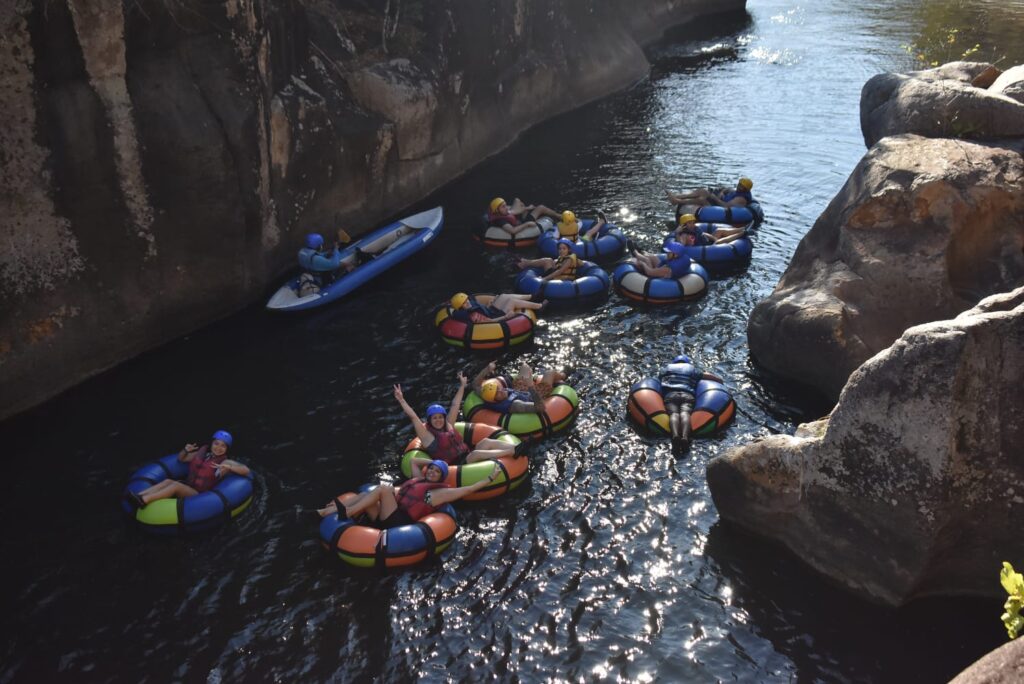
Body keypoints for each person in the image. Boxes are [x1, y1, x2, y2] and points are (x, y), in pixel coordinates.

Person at [393, 374, 526, 472]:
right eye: (434, 418)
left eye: (440, 417)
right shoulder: (428, 437)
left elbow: (455, 404)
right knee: (476, 454)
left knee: (485, 442)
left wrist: (462, 385)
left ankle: (518, 446)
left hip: (466, 455)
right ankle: (512, 451)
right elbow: (414, 418)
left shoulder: (448, 424)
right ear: (429, 421)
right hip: (456, 467)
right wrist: (401, 400)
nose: (438, 420)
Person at [316, 459, 502, 527]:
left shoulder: (439, 493)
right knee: (369, 493)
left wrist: (490, 478)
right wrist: (434, 462)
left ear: (441, 478)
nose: (431, 472)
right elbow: (414, 461)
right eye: (431, 469)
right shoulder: (418, 479)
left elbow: (468, 489)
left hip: (397, 522)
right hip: (387, 516)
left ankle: (348, 512)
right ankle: (325, 511)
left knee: (383, 488)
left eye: (437, 472)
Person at [126, 430, 250, 508]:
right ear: (211, 443)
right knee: (168, 481)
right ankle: (139, 495)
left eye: (223, 446)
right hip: (189, 486)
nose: (218, 448)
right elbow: (181, 459)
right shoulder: (202, 454)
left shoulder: (224, 461)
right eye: (216, 443)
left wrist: (229, 467)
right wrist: (186, 450)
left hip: (200, 494)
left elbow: (246, 470)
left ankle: (144, 500)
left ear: (227, 449)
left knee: (176, 486)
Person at [659, 354, 722, 451]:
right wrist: (718, 379)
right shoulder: (691, 369)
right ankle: (685, 437)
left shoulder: (667, 368)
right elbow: (706, 375)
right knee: (685, 413)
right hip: (687, 395)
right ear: (687, 362)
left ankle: (675, 435)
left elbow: (658, 379)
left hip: (671, 395)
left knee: (674, 414)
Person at [472, 361, 566, 414]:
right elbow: (540, 408)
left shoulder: (485, 393)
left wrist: (487, 370)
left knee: (525, 366)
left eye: (498, 388)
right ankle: (564, 376)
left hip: (518, 391)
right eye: (497, 393)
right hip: (535, 396)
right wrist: (530, 385)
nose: (501, 390)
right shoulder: (515, 405)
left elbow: (475, 385)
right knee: (550, 372)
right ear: (495, 400)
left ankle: (533, 379)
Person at [449, 292, 547, 324]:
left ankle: (532, 296)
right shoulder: (473, 315)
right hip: (496, 316)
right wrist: (505, 317)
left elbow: (483, 310)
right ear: (461, 308)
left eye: (467, 301)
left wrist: (488, 305)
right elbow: (489, 321)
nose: (468, 303)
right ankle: (539, 307)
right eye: (465, 304)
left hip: (491, 310)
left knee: (503, 296)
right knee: (511, 301)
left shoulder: (471, 306)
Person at [486, 197, 562, 237]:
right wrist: (527, 224)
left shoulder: (501, 212)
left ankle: (527, 209)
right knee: (541, 208)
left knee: (517, 201)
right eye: (503, 207)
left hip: (518, 219)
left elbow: (510, 209)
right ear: (497, 210)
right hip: (523, 223)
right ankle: (559, 216)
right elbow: (513, 231)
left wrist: (527, 208)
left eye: (505, 205)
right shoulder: (501, 221)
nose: (506, 207)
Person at [664, 177, 754, 209]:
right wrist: (722, 192)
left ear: (746, 189)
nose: (739, 186)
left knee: (702, 200)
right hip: (718, 202)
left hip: (720, 208)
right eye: (739, 184)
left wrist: (715, 197)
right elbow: (727, 189)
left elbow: (725, 206)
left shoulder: (741, 199)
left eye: (741, 186)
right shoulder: (737, 191)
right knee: (703, 191)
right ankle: (676, 196)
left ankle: (677, 201)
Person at [625, 239, 692, 280]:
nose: (667, 253)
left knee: (646, 260)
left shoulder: (668, 269)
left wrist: (643, 264)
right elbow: (665, 262)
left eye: (669, 252)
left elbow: (650, 272)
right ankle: (641, 252)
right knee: (653, 257)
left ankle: (635, 252)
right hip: (668, 270)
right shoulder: (679, 257)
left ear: (675, 255)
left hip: (659, 277)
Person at [673, 213, 747, 246]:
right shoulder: (684, 235)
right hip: (703, 247)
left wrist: (714, 238)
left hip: (706, 242)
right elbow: (680, 247)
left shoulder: (694, 229)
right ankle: (742, 233)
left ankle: (742, 228)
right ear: (684, 225)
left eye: (693, 222)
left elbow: (703, 234)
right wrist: (676, 233)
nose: (692, 224)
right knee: (718, 242)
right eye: (689, 223)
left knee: (719, 230)